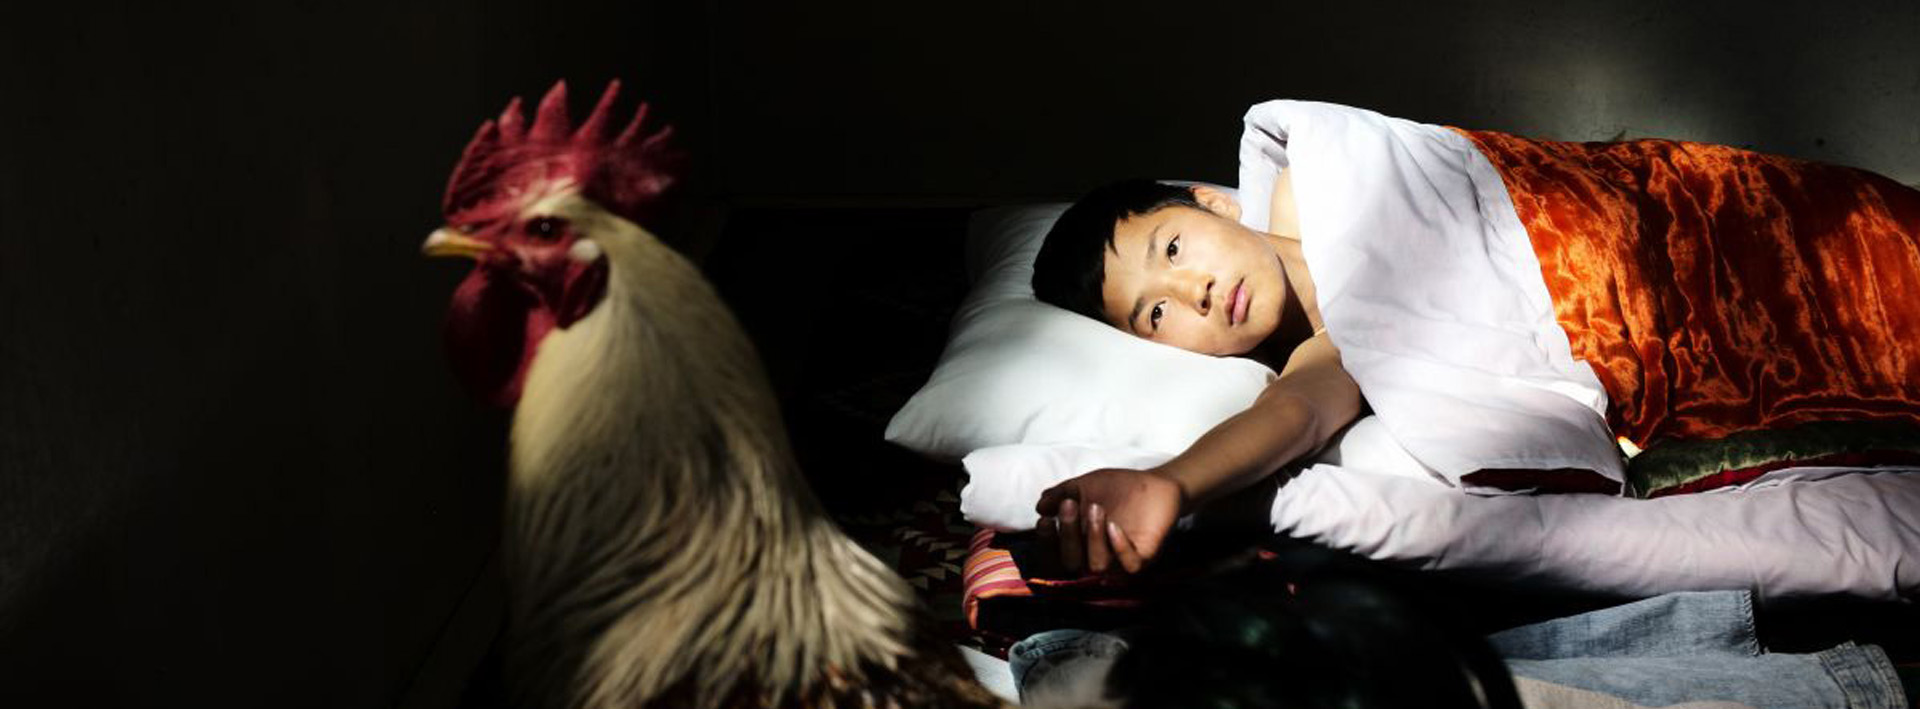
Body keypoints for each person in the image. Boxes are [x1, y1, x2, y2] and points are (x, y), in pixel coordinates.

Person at [1027, 175, 1360, 576]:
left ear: (1214, 204)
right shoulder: (1327, 352)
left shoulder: (1307, 178)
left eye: (1172, 249)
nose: (1194, 291)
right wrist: (1169, 483)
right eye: (1157, 313)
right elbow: (1294, 410)